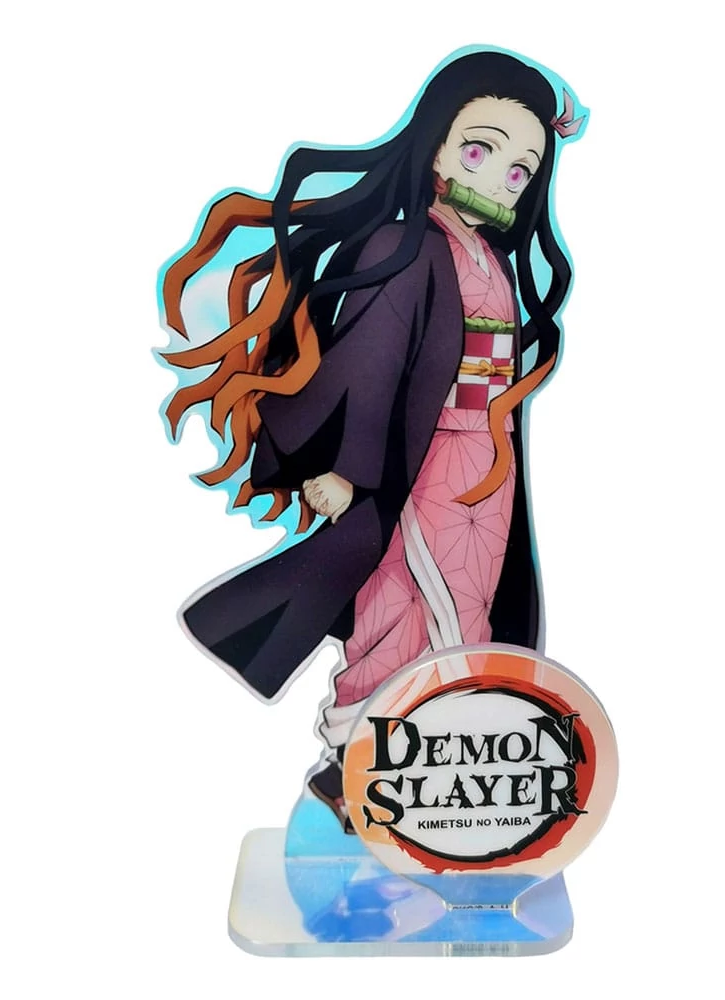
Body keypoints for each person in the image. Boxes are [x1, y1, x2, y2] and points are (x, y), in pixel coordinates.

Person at [159, 49, 584, 829]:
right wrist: (346, 468)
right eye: (481, 151)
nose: (500, 179)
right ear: (436, 148)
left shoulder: (494, 260)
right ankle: (356, 761)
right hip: (420, 462)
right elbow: (368, 358)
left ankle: (425, 775)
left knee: (472, 606)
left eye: (521, 170)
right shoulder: (403, 246)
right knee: (399, 607)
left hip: (487, 465)